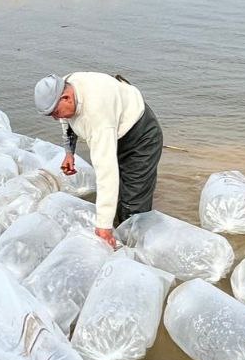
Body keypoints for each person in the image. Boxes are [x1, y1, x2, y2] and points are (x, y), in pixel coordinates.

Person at [34, 72, 163, 248]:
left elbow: (106, 173)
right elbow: (66, 121)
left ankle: (137, 253)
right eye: (52, 115)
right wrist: (69, 152)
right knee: (118, 197)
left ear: (66, 97)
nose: (57, 118)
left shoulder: (96, 113)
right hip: (116, 128)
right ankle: (119, 237)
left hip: (140, 137)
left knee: (133, 203)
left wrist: (103, 227)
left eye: (56, 112)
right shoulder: (64, 85)